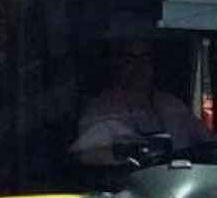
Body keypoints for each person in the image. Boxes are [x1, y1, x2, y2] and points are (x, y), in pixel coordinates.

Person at [71, 38, 214, 165]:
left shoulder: (173, 104)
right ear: (117, 65)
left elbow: (208, 144)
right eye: (129, 60)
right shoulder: (102, 108)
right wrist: (129, 153)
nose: (139, 67)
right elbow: (83, 154)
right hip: (130, 190)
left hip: (180, 188)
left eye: (145, 59)